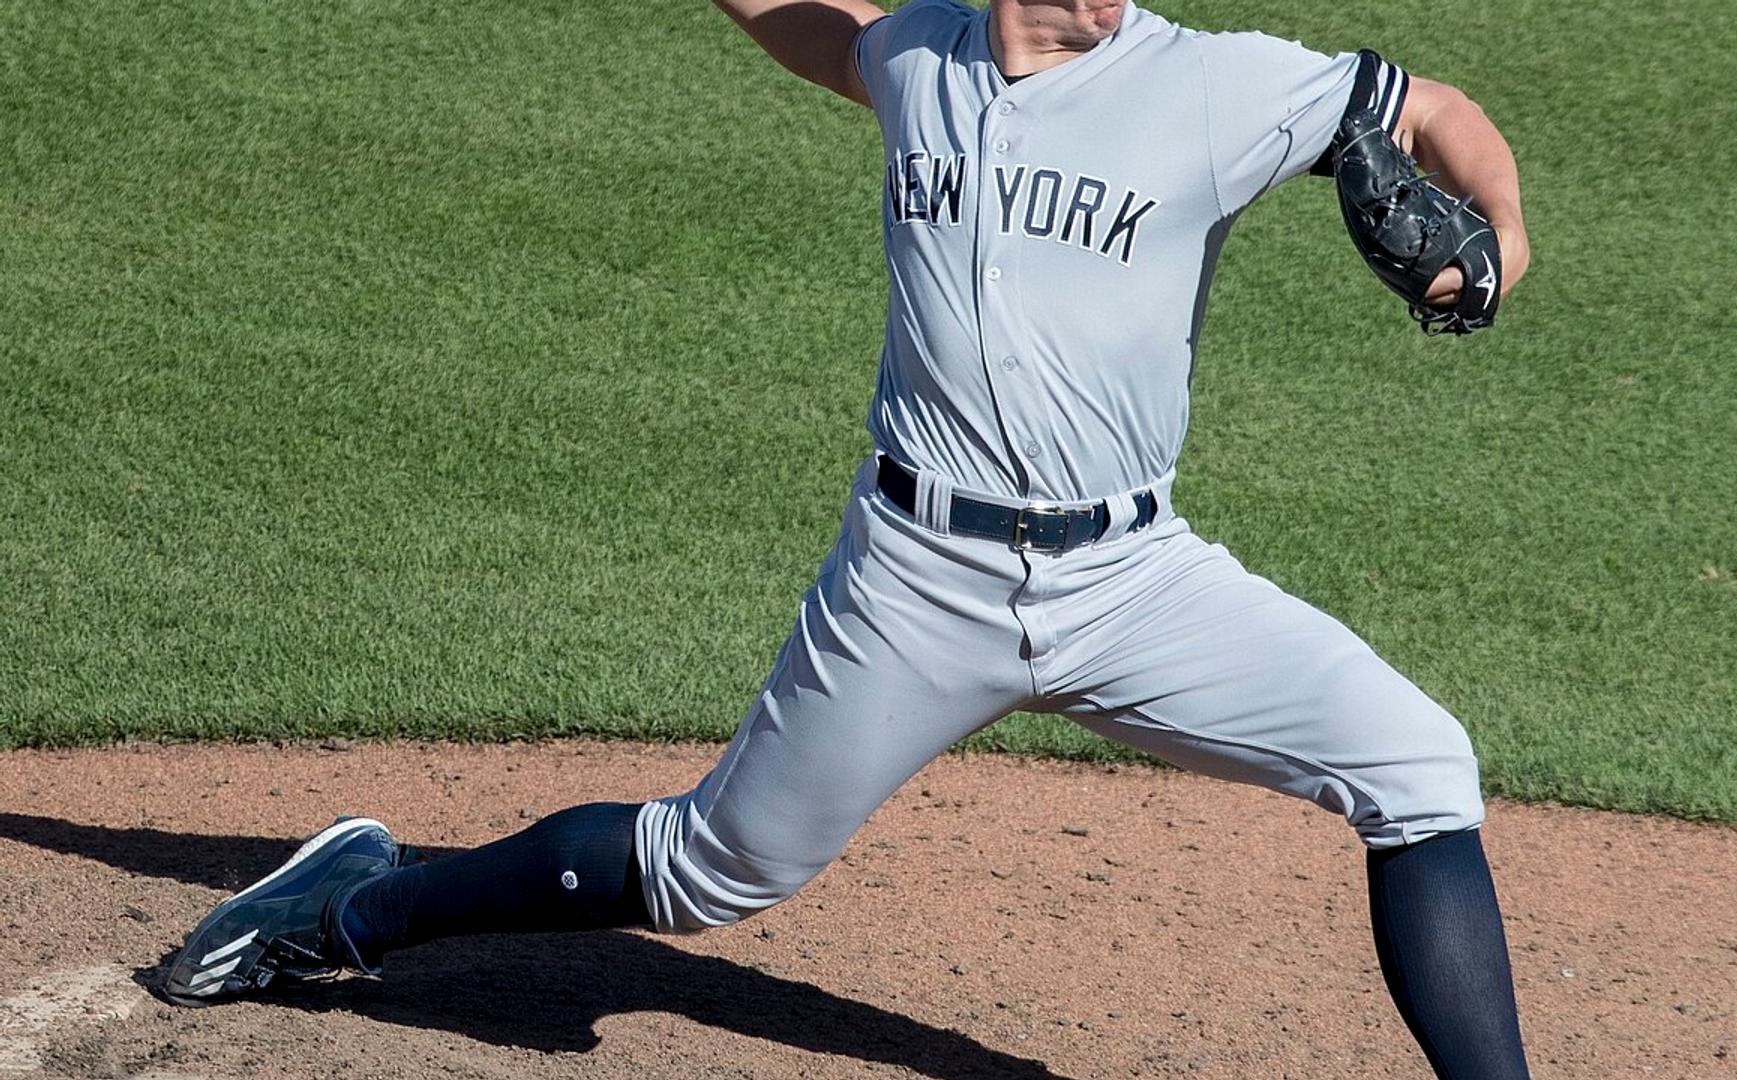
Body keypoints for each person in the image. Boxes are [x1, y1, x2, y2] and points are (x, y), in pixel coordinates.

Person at [166, 2, 1533, 1075]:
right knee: (711, 870)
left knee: (1418, 766)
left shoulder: (1221, 84)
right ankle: (354, 904)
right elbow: (803, 25)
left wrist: (1503, 239)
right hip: (915, 579)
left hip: (1135, 580)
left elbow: (1437, 112)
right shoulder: (918, 59)